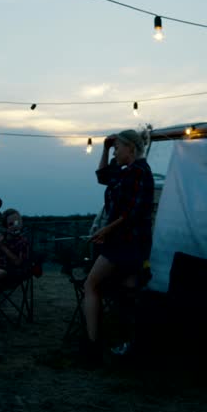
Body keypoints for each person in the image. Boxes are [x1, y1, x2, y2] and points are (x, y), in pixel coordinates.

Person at [81, 129, 155, 363]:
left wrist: (105, 230)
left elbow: (132, 213)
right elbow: (102, 176)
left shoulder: (140, 172)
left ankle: (93, 346)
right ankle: (126, 346)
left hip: (128, 244)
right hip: (124, 243)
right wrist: (104, 148)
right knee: (126, 292)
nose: (115, 152)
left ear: (130, 148)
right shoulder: (125, 173)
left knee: (91, 285)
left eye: (117, 148)